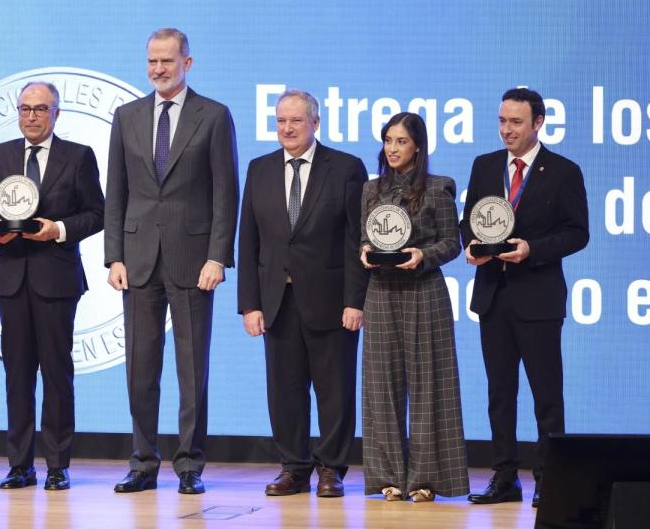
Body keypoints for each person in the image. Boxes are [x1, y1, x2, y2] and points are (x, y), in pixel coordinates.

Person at [104, 28, 239, 495]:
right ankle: (142, 462)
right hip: (137, 261)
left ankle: (189, 466)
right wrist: (114, 256)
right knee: (140, 369)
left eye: (167, 60)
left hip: (193, 261)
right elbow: (116, 193)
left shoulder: (215, 116)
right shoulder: (127, 116)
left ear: (188, 62)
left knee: (191, 370)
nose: (158, 69)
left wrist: (218, 256)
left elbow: (226, 194)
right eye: (151, 61)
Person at [237, 89, 368, 499]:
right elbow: (249, 242)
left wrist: (355, 300)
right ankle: (294, 467)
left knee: (335, 388)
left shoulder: (346, 168)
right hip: (277, 301)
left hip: (331, 300)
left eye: (296, 120)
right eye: (281, 121)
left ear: (316, 123)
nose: (287, 129)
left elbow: (355, 239)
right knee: (285, 390)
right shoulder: (259, 170)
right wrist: (250, 304)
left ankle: (332, 468)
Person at [463, 88, 589, 508]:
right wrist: (471, 245)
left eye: (515, 122)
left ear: (538, 123)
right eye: (502, 121)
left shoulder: (563, 171)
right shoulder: (484, 166)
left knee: (546, 395)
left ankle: (549, 480)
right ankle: (504, 477)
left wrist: (532, 250)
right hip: (493, 297)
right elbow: (470, 221)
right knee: (500, 393)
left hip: (538, 298)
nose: (506, 130)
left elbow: (577, 233)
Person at [0, 81, 105, 491]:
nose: (31, 116)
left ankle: (57, 464)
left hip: (57, 277)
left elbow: (96, 213)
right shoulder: (1, 155)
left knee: (56, 373)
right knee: (16, 374)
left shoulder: (78, 156)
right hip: (12, 276)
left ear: (56, 113)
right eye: (25, 108)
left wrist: (59, 229)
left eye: (40, 109)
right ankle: (19, 465)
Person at [358, 112, 469, 502]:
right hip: (382, 292)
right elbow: (362, 240)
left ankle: (425, 478)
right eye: (388, 140)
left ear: (418, 146)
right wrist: (366, 254)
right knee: (381, 386)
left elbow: (452, 243)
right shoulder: (371, 191)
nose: (392, 148)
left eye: (401, 141)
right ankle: (388, 477)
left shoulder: (439, 188)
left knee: (428, 384)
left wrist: (423, 254)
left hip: (424, 292)